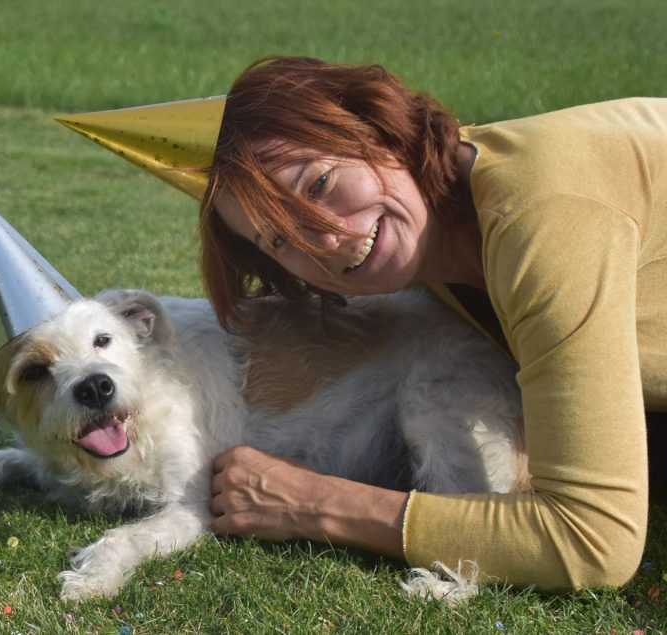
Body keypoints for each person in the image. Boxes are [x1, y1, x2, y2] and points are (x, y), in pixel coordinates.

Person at [196, 56, 667, 591]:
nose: (324, 237)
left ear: (375, 129)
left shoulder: (542, 215)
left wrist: (311, 503)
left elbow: (592, 543)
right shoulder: (433, 237)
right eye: (279, 240)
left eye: (320, 183)